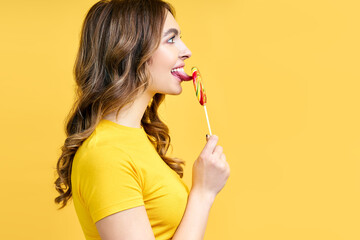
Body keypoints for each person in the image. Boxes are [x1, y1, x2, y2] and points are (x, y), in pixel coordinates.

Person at [54, 0, 230, 239]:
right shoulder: (106, 154)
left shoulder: (132, 138)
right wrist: (203, 194)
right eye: (171, 39)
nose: (186, 50)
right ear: (131, 51)